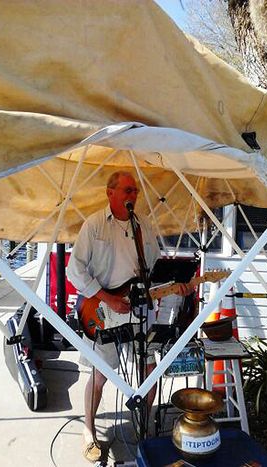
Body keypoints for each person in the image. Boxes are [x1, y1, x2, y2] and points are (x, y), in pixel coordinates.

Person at [67, 171, 192, 463]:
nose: (132, 195)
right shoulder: (94, 225)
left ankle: (144, 430)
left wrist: (177, 286)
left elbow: (153, 270)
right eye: (126, 190)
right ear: (110, 193)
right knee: (100, 375)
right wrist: (108, 297)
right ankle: (89, 431)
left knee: (150, 371)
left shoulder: (143, 226)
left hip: (138, 310)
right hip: (102, 310)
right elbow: (75, 271)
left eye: (134, 191)